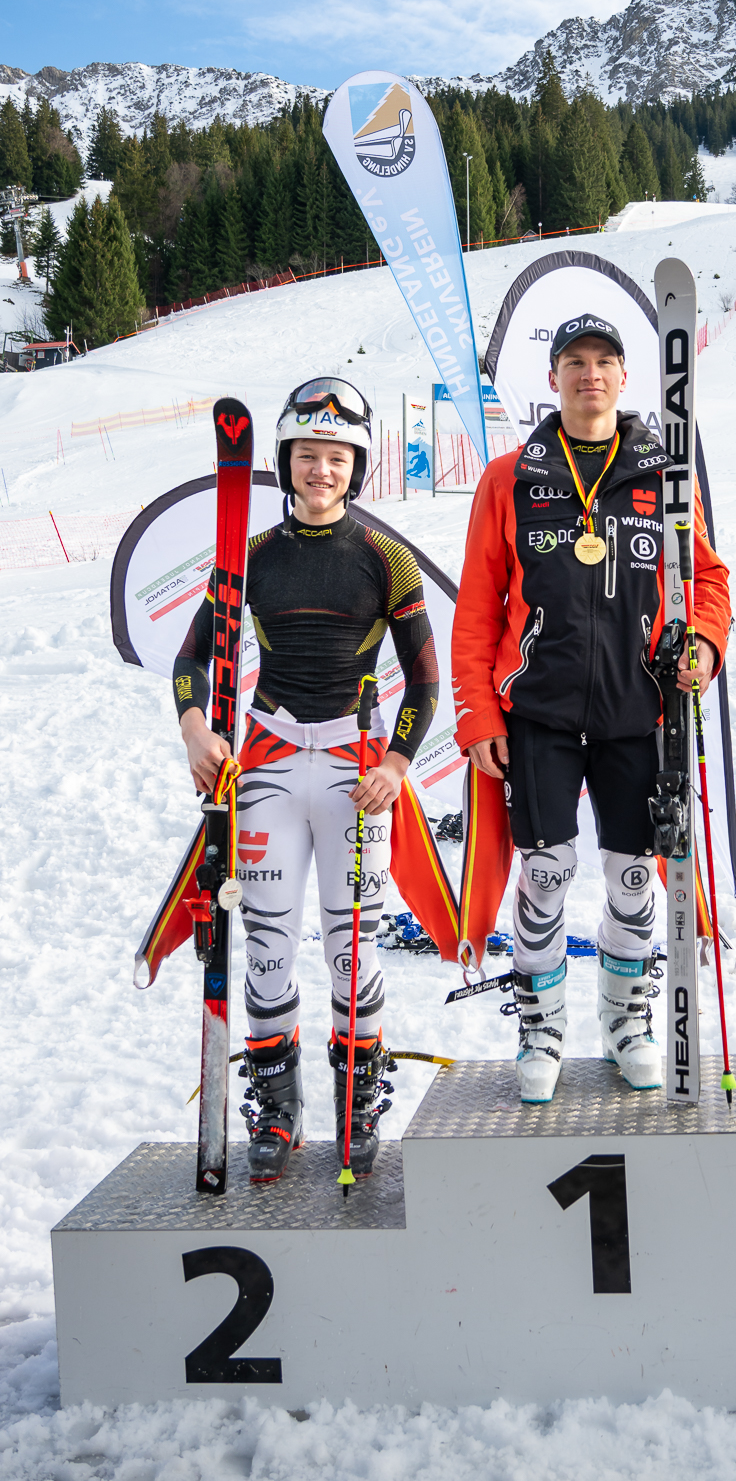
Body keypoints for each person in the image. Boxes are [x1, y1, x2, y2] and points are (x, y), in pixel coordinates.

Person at [452, 312, 732, 1103]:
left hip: (636, 711)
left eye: (604, 361)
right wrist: (476, 714)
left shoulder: (662, 474)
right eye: (574, 361)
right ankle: (539, 1028)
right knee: (544, 872)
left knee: (634, 878)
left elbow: (706, 579)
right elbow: (477, 607)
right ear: (552, 379)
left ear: (623, 376)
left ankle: (626, 1021)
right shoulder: (509, 477)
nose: (590, 374)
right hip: (535, 711)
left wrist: (704, 643)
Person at [173, 377, 438, 1183]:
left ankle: (357, 1101)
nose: (320, 471)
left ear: (355, 467)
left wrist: (396, 762)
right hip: (270, 759)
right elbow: (192, 661)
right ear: (286, 462)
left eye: (336, 458)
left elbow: (424, 682)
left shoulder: (384, 557)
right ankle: (277, 1107)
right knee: (265, 946)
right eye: (307, 456)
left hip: (355, 769)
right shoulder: (248, 556)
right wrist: (195, 728)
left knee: (354, 951)